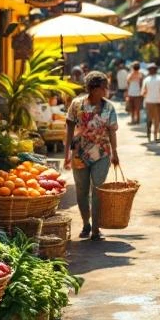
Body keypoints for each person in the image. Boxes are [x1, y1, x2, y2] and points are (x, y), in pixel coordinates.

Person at [64, 71, 119, 243]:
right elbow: (69, 128)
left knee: (98, 191)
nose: (106, 90)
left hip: (102, 154)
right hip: (79, 153)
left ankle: (96, 228)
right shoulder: (76, 104)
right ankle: (86, 223)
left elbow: (111, 130)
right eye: (104, 87)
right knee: (81, 191)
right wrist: (66, 153)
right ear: (93, 88)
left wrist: (115, 153)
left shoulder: (109, 107)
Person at [142, 64, 160, 142]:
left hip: (149, 102)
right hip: (158, 102)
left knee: (149, 119)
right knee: (157, 120)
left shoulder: (146, 80)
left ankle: (149, 135)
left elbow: (143, 92)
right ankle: (156, 137)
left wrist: (148, 96)